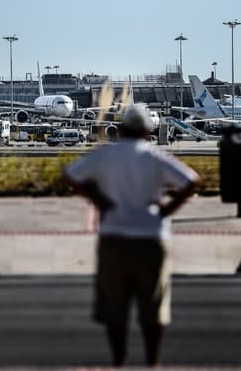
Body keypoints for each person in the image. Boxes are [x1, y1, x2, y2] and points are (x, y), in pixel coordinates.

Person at [64, 104, 199, 366]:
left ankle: (120, 361)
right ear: (148, 132)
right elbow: (191, 181)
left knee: (115, 310)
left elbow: (70, 174)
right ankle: (152, 362)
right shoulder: (155, 156)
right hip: (151, 238)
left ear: (122, 128)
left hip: (114, 237)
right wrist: (168, 209)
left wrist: (98, 200)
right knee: (153, 311)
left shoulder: (106, 156)